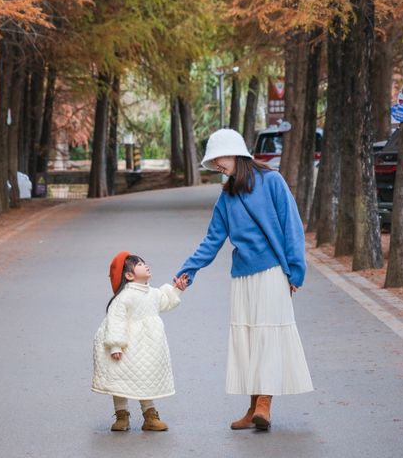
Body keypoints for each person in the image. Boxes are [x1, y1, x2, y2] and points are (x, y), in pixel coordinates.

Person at [175, 128, 313, 431]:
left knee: (267, 336)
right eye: (212, 163)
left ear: (234, 153)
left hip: (272, 272)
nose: (216, 167)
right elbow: (211, 241)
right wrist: (188, 270)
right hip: (242, 275)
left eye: (218, 160)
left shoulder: (272, 181)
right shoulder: (227, 196)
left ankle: (265, 402)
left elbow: (292, 228)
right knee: (249, 338)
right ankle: (252, 408)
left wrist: (296, 271)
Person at [91, 251, 188, 432]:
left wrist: (177, 289)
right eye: (139, 264)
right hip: (126, 345)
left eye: (144, 262)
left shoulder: (152, 292)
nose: (145, 265)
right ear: (129, 275)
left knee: (145, 378)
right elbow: (115, 321)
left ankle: (150, 416)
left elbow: (165, 301)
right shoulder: (124, 297)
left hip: (146, 345)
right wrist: (115, 345)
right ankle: (121, 415)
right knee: (119, 378)